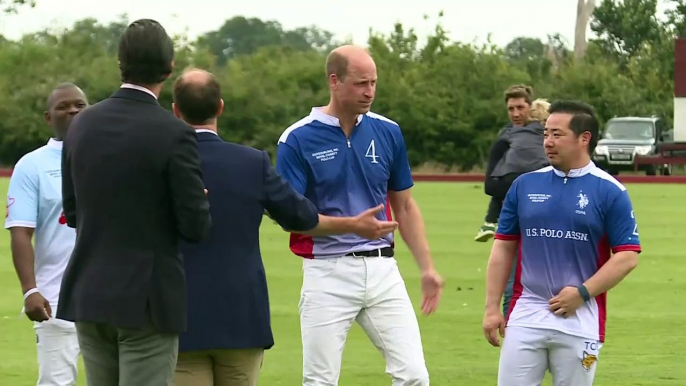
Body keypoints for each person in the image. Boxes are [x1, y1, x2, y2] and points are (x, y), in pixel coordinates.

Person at [169, 68, 399, 386]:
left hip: (181, 318)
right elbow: (302, 217)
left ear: (176, 110)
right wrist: (354, 225)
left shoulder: (160, 164)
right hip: (242, 319)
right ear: (220, 107)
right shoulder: (252, 163)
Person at [275, 45, 445, 386]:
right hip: (327, 272)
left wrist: (427, 268)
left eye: (373, 83)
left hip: (383, 270)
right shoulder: (296, 139)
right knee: (320, 381)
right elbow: (290, 218)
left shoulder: (388, 131)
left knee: (414, 375)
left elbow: (405, 206)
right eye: (360, 83)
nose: (369, 92)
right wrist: (352, 226)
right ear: (334, 81)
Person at [56, 19, 212, 386]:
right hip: (147, 299)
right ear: (169, 68)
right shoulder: (175, 133)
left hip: (89, 290)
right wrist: (197, 203)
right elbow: (195, 227)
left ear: (120, 63)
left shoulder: (81, 125)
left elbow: (74, 210)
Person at [482, 100, 641, 386]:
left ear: (584, 139)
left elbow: (627, 256)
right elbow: (503, 246)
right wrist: (492, 307)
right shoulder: (524, 185)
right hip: (525, 314)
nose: (548, 142)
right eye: (545, 133)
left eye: (557, 134)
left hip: (581, 320)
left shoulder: (611, 191)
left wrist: (582, 293)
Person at [5, 83, 88, 386]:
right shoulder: (32, 165)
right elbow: (20, 232)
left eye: (79, 104)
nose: (73, 111)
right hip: (56, 299)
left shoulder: (108, 156)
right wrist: (30, 290)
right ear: (48, 117)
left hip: (109, 296)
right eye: (63, 107)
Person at [474, 86, 549, 243]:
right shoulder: (505, 138)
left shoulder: (550, 135)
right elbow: (490, 186)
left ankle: (489, 223)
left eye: (520, 108)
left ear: (531, 107)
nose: (515, 114)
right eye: (511, 109)